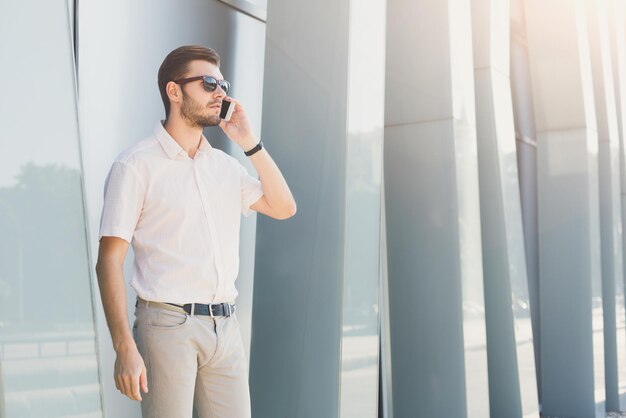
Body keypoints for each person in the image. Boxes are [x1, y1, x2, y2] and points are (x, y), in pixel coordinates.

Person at [95, 45, 296, 418]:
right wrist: (124, 346)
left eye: (223, 84)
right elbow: (109, 260)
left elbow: (284, 208)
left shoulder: (225, 167)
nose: (221, 93)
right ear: (174, 91)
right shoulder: (136, 166)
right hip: (167, 326)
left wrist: (249, 143)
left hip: (225, 328)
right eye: (208, 83)